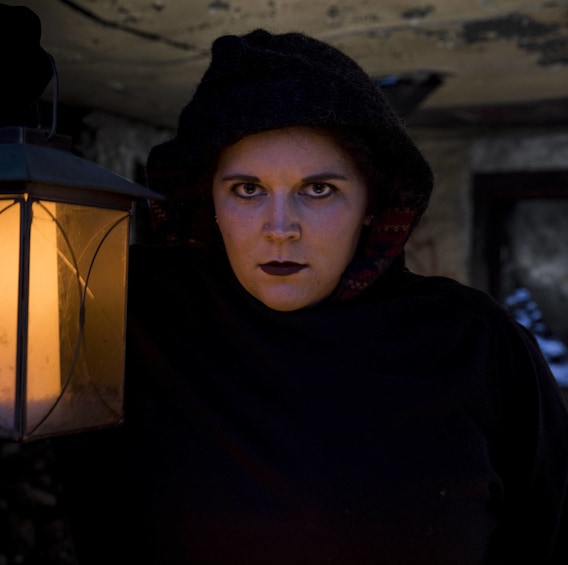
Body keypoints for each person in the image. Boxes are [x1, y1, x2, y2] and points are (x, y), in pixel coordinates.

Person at [53, 29, 568, 564]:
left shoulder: (474, 344)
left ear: (374, 201)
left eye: (318, 189)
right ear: (208, 198)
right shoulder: (137, 313)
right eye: (247, 190)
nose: (280, 228)